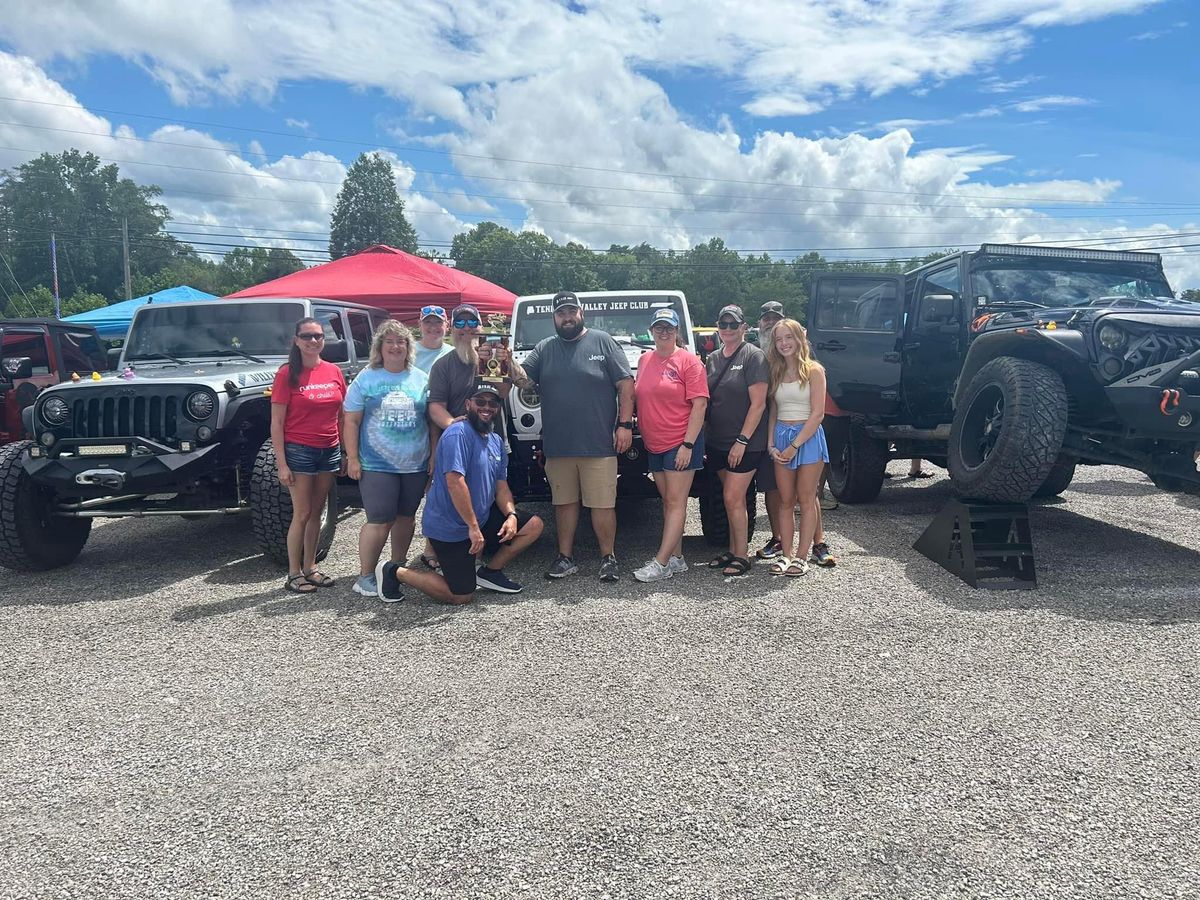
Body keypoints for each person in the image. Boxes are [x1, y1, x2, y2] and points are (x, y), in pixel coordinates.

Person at [376, 382, 544, 604]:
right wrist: (473, 528)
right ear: (468, 404)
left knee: (533, 525)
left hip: (478, 521)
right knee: (461, 595)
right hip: (451, 527)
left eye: (492, 403)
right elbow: (455, 482)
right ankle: (393, 571)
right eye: (480, 402)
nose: (487, 407)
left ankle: (490, 572)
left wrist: (511, 516)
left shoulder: (494, 440)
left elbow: (501, 486)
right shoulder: (458, 433)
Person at [519, 290, 634, 582]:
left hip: (598, 444)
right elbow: (523, 380)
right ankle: (565, 557)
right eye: (561, 313)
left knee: (602, 504)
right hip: (558, 445)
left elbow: (625, 384)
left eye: (571, 312)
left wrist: (625, 425)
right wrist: (505, 361)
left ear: (581, 313)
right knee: (564, 504)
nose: (567, 317)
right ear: (554, 317)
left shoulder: (603, 341)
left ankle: (608, 558)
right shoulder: (544, 348)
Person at [425, 303, 526, 573]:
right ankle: (438, 548)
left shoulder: (493, 356)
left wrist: (505, 360)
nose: (467, 329)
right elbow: (435, 405)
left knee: (489, 492)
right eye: (460, 323)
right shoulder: (444, 364)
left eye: (472, 323)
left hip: (492, 438)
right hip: (459, 441)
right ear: (452, 328)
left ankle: (484, 547)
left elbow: (504, 392)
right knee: (452, 492)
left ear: (480, 328)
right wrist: (451, 424)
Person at [342, 321, 432, 597]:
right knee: (379, 519)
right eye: (389, 341)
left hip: (414, 463)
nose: (396, 346)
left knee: (406, 517)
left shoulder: (420, 378)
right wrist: (353, 458)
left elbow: (430, 421)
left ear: (409, 347)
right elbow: (352, 422)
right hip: (376, 465)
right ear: (379, 347)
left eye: (401, 342)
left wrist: (433, 457)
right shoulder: (366, 378)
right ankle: (365, 575)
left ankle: (395, 568)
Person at [754, 301, 836, 567]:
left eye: (789, 337)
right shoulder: (776, 371)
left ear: (800, 338)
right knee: (785, 500)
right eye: (779, 339)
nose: (784, 343)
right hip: (780, 437)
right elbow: (774, 410)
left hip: (807, 439)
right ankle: (786, 555)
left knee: (806, 498)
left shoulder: (814, 370)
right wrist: (770, 444)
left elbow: (818, 414)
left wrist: (795, 446)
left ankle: (803, 556)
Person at [270, 317, 347, 594]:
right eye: (307, 336)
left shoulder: (334, 371)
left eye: (318, 336)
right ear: (296, 340)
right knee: (301, 513)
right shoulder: (286, 374)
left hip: (329, 449)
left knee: (317, 511)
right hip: (299, 450)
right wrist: (281, 463)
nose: (313, 341)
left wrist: (345, 451)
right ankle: (293, 573)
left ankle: (310, 567)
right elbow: (276, 423)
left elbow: (341, 415)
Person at [632, 307, 708, 583]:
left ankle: (661, 562)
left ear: (678, 331)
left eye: (670, 328)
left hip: (681, 442)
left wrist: (688, 445)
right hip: (655, 443)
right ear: (651, 331)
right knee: (668, 502)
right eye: (659, 328)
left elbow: (700, 405)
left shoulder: (689, 362)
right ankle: (677, 558)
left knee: (676, 503)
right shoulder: (644, 360)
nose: (664, 333)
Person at [702, 304, 768, 577]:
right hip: (717, 441)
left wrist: (742, 440)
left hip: (746, 443)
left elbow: (759, 404)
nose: (727, 329)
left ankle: (742, 555)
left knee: (733, 496)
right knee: (729, 499)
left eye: (733, 324)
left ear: (744, 328)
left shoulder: (754, 356)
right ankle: (732, 549)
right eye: (723, 324)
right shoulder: (713, 358)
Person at [413, 304, 454, 374]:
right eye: (428, 322)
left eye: (439, 322)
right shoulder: (408, 351)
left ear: (447, 325)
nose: (433, 327)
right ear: (419, 325)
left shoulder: (453, 353)